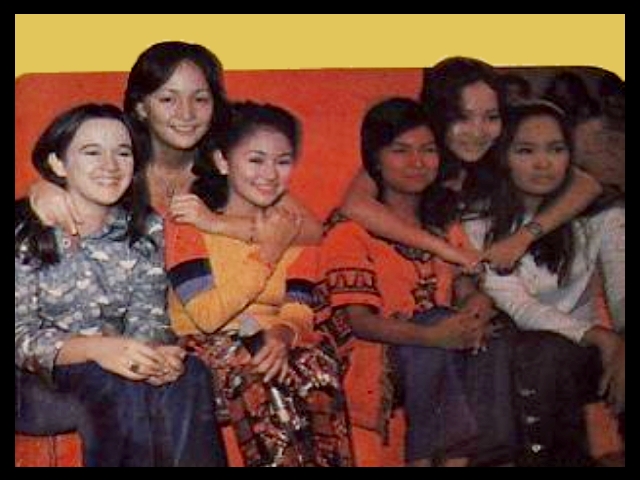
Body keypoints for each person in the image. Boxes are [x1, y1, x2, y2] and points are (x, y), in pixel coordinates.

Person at [15, 103, 227, 467]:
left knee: (189, 374)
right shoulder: (24, 229)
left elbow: (149, 316)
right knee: (115, 382)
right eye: (92, 152)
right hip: (32, 385)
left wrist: (156, 355)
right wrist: (96, 349)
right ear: (58, 164)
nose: (111, 165)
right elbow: (19, 336)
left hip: (112, 366)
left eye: (123, 152)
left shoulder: (144, 228)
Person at [316, 97, 517, 467]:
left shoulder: (441, 223)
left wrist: (476, 307)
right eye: (401, 150)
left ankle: (488, 459)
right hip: (376, 356)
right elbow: (359, 322)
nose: (417, 162)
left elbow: (465, 289)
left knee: (494, 335)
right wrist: (432, 335)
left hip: (443, 340)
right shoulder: (350, 231)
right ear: (375, 160)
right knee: (433, 334)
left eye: (428, 150)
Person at [167, 101, 354, 467]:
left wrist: (282, 335)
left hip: (270, 338)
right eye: (255, 160)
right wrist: (268, 252)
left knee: (317, 367)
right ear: (223, 162)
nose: (270, 174)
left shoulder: (293, 227)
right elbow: (207, 315)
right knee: (259, 371)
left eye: (282, 161)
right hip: (207, 342)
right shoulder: (190, 223)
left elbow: (299, 305)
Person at [28, 41, 322, 244]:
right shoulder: (117, 163)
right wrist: (41, 190)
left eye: (200, 99)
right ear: (142, 107)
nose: (187, 114)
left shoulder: (228, 160)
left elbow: (310, 230)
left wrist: (218, 224)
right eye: (168, 99)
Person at [463, 99, 625, 466]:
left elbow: (622, 292)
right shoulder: (477, 221)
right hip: (517, 354)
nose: (543, 163)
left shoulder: (602, 216)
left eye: (556, 149)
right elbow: (520, 308)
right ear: (503, 157)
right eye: (526, 151)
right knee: (543, 352)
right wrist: (601, 336)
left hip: (585, 352)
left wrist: (622, 342)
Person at [340, 56, 602, 272]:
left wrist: (523, 237)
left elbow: (587, 184)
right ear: (438, 115)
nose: (478, 132)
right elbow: (355, 205)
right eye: (462, 117)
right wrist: (449, 251)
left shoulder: (501, 146)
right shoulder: (416, 149)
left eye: (491, 117)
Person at [573, 71, 625, 192]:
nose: (617, 101)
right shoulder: (584, 131)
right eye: (612, 96)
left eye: (622, 96)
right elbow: (572, 172)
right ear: (602, 99)